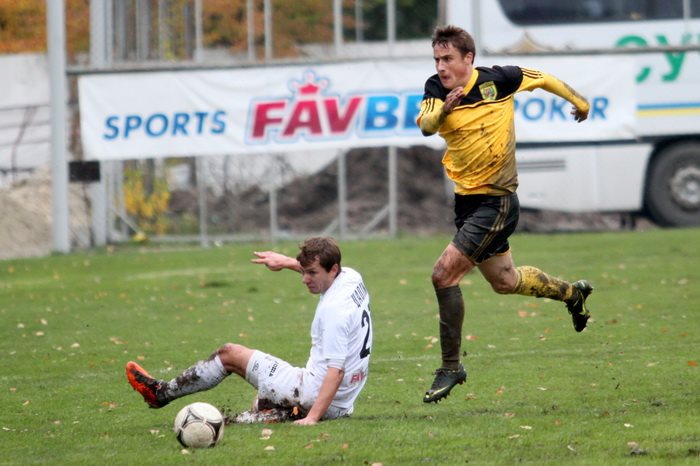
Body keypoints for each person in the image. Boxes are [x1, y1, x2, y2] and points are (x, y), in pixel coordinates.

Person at [416, 25, 593, 403]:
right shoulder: (436, 90)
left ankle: (450, 366)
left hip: (496, 203)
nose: (441, 66)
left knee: (443, 275)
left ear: (468, 58)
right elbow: (427, 125)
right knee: (505, 281)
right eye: (436, 59)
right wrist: (444, 110)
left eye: (448, 58)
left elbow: (542, 77)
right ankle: (572, 294)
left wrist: (579, 101)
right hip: (467, 204)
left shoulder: (500, 80)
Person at [126, 237, 372, 425]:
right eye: (304, 271)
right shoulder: (351, 278)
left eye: (312, 273)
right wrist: (285, 262)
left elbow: (336, 371)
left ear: (333, 270)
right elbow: (320, 270)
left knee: (229, 354)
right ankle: (279, 412)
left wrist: (313, 418)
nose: (305, 279)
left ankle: (161, 393)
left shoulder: (333, 311)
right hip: (342, 403)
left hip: (313, 392)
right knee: (262, 402)